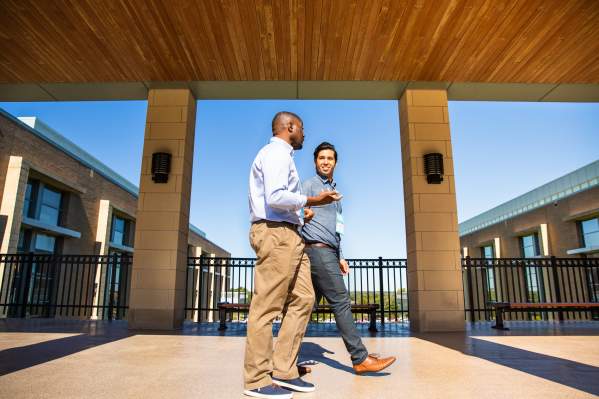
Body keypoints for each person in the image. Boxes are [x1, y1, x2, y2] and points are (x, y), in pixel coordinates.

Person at [244, 112, 341, 399]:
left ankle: (283, 369)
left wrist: (301, 213)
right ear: (290, 127)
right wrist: (313, 200)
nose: (304, 134)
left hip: (289, 232)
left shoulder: (283, 155)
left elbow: (281, 201)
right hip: (275, 234)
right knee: (266, 307)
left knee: (304, 297)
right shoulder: (276, 153)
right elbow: (275, 197)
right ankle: (256, 379)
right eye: (301, 128)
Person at [301, 142, 396, 374]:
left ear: (335, 162)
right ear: (315, 161)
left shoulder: (336, 194)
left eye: (329, 158)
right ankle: (360, 357)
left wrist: (341, 256)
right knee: (341, 301)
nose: (325, 161)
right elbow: (293, 210)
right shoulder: (308, 185)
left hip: (330, 251)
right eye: (321, 158)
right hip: (316, 249)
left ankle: (282, 361)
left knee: (303, 307)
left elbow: (338, 228)